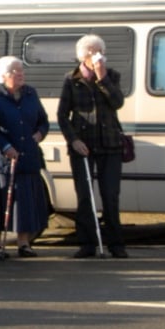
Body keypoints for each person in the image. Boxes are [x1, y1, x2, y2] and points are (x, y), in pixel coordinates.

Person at [57, 34, 129, 259]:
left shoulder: (111, 76)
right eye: (94, 52)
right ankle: (87, 243)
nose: (99, 56)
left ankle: (116, 244)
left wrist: (102, 77)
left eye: (101, 52)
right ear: (84, 56)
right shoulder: (71, 79)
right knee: (85, 195)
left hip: (110, 144)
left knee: (111, 195)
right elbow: (62, 114)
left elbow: (117, 102)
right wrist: (73, 139)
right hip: (83, 145)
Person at [0, 56, 49, 256]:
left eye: (21, 70)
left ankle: (24, 243)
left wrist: (40, 133)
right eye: (15, 71)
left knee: (26, 202)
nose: (21, 74)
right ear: (3, 76)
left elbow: (43, 120)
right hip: (4, 159)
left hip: (28, 155)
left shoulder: (31, 93)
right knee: (1, 200)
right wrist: (4, 146)